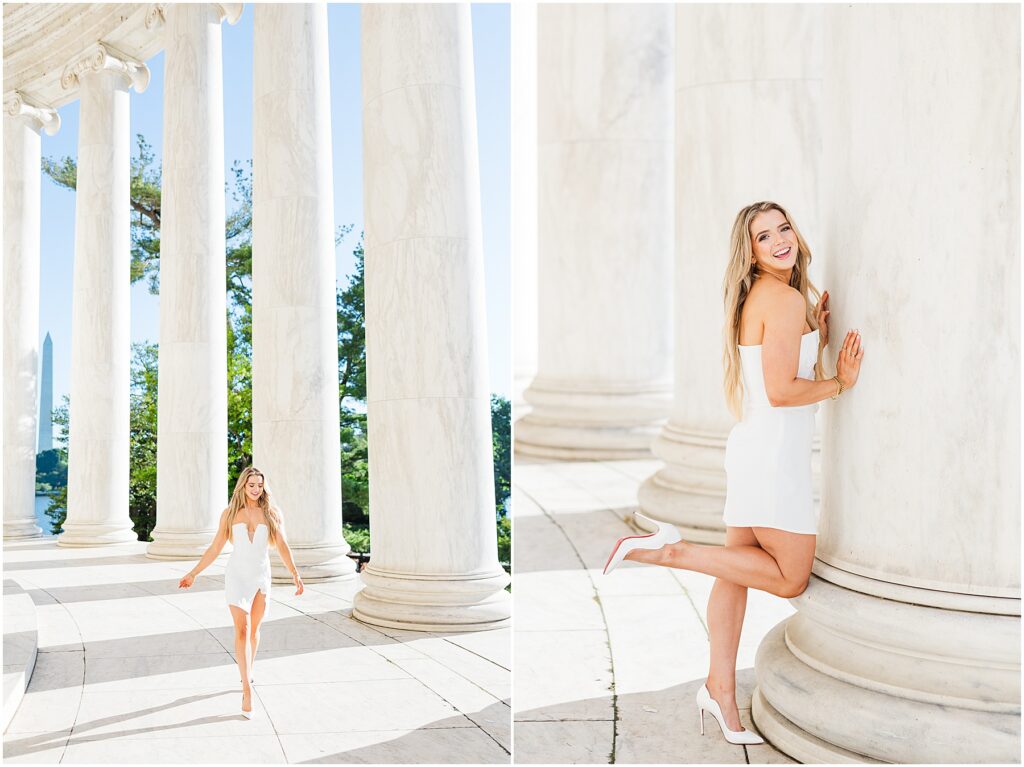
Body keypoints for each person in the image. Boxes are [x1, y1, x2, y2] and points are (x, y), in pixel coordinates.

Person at [602, 201, 864, 745]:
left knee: (737, 573)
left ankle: (719, 688)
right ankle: (669, 550)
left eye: (783, 228)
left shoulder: (768, 298)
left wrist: (815, 326)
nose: (778, 241)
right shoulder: (785, 299)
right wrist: (840, 383)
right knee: (790, 575)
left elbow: (778, 369)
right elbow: (782, 391)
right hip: (772, 459)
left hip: (755, 450)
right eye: (763, 237)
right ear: (750, 252)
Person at [178, 467, 304, 718]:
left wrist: (295, 573)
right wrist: (193, 573)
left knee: (255, 631)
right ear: (242, 487)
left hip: (260, 577)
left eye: (259, 485)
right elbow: (215, 548)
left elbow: (282, 545)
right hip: (237, 576)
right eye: (251, 485)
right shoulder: (230, 514)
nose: (256, 489)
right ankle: (247, 689)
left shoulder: (271, 513)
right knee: (242, 629)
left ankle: (249, 670)